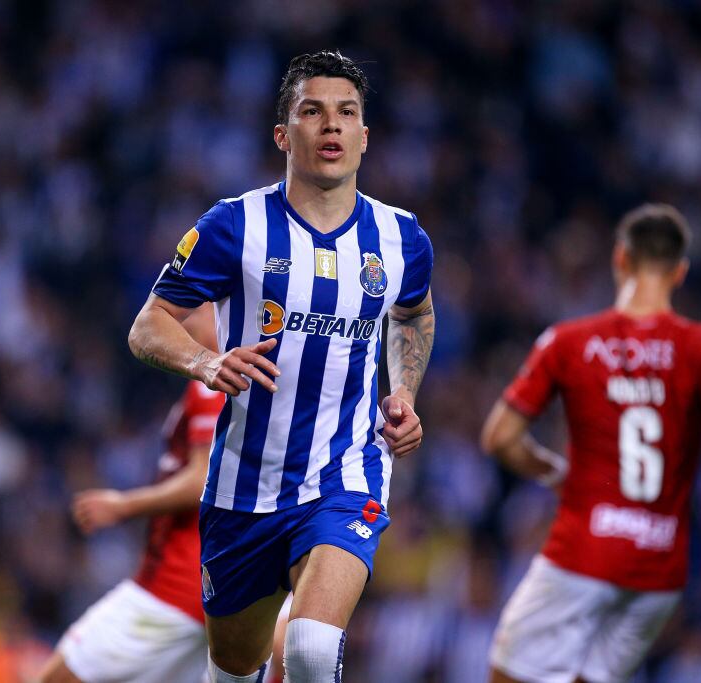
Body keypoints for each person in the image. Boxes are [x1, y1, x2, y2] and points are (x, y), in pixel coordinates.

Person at [128, 50, 435, 683]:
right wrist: (206, 361)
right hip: (243, 488)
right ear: (282, 134)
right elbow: (148, 324)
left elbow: (413, 313)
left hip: (345, 473)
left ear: (364, 136)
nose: (332, 125)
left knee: (312, 650)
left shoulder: (401, 237)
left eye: (346, 112)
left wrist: (403, 390)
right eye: (312, 111)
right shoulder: (233, 226)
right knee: (235, 667)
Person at [480, 204, 701, 683]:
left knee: (506, 674)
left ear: (620, 258)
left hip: (584, 552)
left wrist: (552, 471)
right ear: (680, 271)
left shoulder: (567, 341)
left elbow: (500, 437)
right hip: (658, 569)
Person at [38, 306, 223, 683]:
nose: (180, 323)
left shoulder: (211, 381)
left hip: (173, 588)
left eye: (192, 313)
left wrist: (123, 506)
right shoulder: (242, 379)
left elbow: (203, 478)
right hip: (209, 587)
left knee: (58, 677)